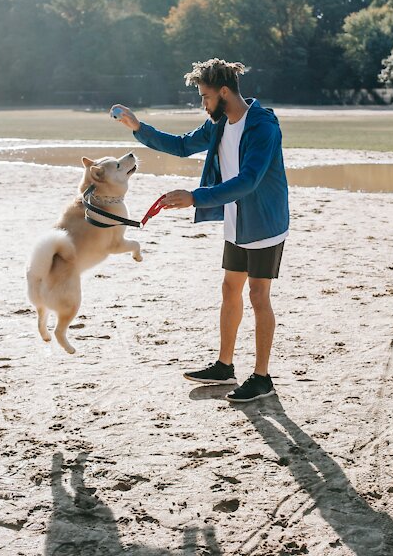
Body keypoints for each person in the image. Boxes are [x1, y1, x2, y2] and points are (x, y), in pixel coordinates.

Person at [111, 59, 289, 402]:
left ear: (224, 92)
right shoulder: (220, 123)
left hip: (265, 221)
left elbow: (249, 181)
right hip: (237, 218)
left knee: (257, 295)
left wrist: (195, 197)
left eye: (205, 97)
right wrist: (138, 127)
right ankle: (224, 366)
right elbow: (180, 145)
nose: (203, 104)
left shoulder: (263, 127)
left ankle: (262, 377)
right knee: (229, 288)